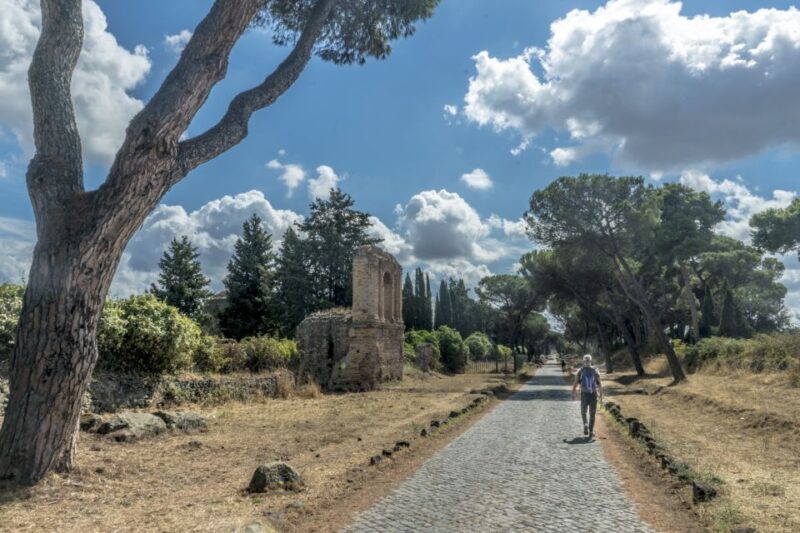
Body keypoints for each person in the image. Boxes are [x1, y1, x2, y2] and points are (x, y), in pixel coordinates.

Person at [571, 354, 603, 438]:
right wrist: (601, 396)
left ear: (583, 361)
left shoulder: (580, 370)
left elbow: (575, 383)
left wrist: (573, 393)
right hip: (593, 394)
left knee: (583, 411)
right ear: (591, 361)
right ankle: (591, 431)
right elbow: (600, 384)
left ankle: (585, 423)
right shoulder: (595, 370)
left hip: (584, 394)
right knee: (592, 414)